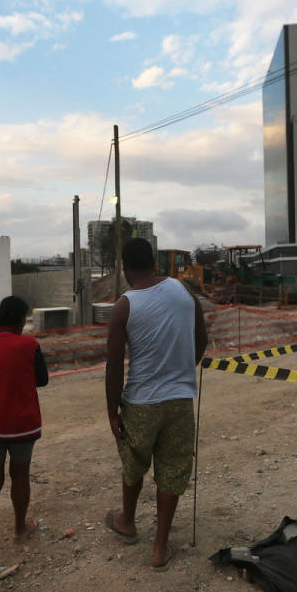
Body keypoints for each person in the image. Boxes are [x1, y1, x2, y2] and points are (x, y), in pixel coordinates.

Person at [104, 238, 207, 571]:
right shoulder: (182, 291)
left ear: (124, 268)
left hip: (141, 402)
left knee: (134, 463)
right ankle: (160, 548)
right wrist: (182, 369)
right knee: (172, 470)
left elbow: (114, 364)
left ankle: (127, 521)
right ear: (154, 262)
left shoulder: (125, 305)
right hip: (179, 400)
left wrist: (111, 410)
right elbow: (202, 336)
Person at [0, 295, 48, 580]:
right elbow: (42, 379)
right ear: (21, 321)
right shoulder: (29, 345)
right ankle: (19, 528)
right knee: (20, 475)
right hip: (21, 426)